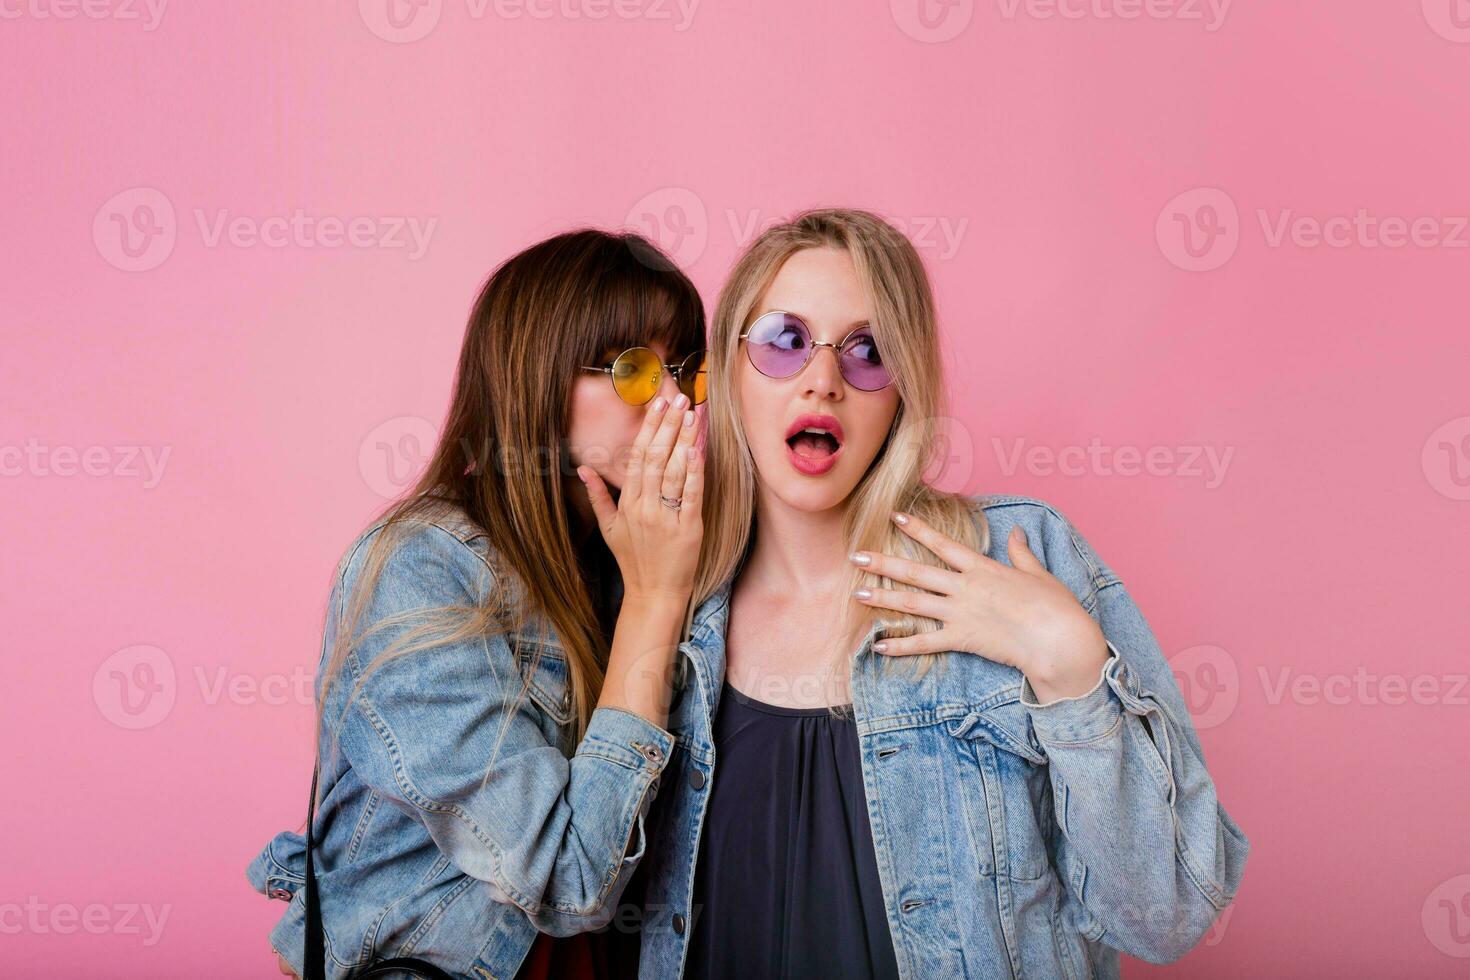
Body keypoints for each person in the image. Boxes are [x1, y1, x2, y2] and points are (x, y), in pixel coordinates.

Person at [634, 208, 1250, 979]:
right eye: (784, 342)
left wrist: (1073, 674)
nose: (823, 379)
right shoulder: (671, 609)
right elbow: (568, 889)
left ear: (903, 388)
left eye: (868, 352)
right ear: (726, 368)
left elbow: (1166, 918)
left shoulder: (1020, 557)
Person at [247, 229, 709, 979]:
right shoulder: (424, 570)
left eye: (687, 372)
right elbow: (572, 879)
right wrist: (657, 601)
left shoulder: (644, 550)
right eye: (631, 370)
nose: (671, 404)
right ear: (536, 377)